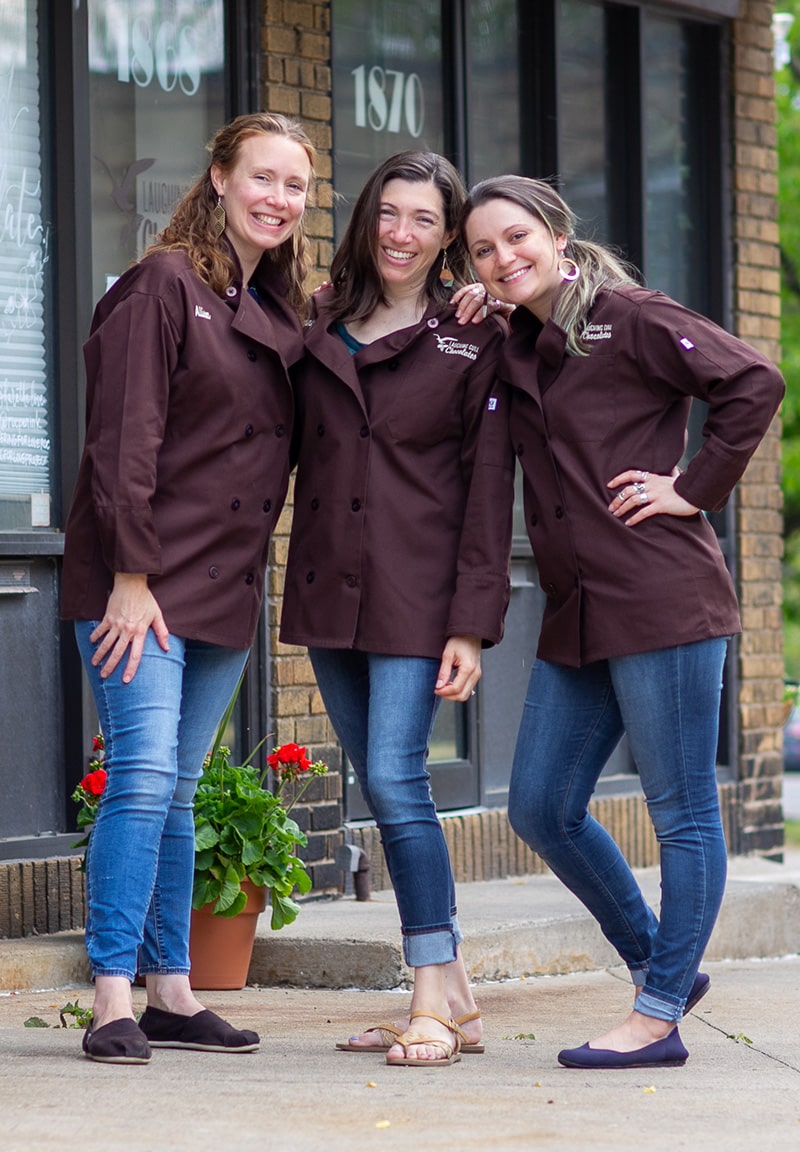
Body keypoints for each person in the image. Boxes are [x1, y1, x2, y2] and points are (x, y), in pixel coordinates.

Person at [460, 175, 785, 1069]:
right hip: (581, 610)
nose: (503, 258)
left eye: (517, 237)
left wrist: (692, 489)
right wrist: (478, 308)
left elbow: (755, 380)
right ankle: (660, 964)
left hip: (663, 598)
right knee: (538, 805)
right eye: (483, 249)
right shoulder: (520, 338)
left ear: (558, 234)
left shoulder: (629, 316)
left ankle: (659, 1015)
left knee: (680, 812)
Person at [61, 112, 316, 1064]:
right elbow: (123, 438)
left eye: (295, 186)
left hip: (223, 588)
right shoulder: (162, 284)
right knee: (139, 778)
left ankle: (173, 989)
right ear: (218, 178)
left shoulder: (279, 312)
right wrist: (130, 576)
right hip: (144, 580)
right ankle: (112, 998)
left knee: (178, 789)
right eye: (262, 177)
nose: (279, 200)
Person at [280, 151, 511, 1066]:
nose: (402, 233)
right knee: (380, 783)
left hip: (420, 598)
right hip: (329, 589)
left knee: (396, 781)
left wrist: (471, 623)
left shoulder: (472, 337)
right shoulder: (320, 320)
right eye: (389, 212)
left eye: (424, 219)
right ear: (367, 215)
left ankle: (426, 994)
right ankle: (453, 996)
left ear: (449, 235)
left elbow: (490, 490)